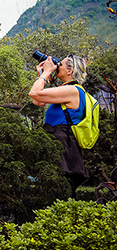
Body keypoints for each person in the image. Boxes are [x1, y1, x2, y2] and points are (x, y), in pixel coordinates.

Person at [28, 54, 90, 197]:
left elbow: (34, 93)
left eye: (60, 64)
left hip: (63, 148)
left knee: (60, 194)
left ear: (70, 71)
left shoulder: (73, 90)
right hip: (59, 145)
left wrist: (47, 72)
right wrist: (41, 76)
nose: (57, 67)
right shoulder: (67, 90)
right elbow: (38, 102)